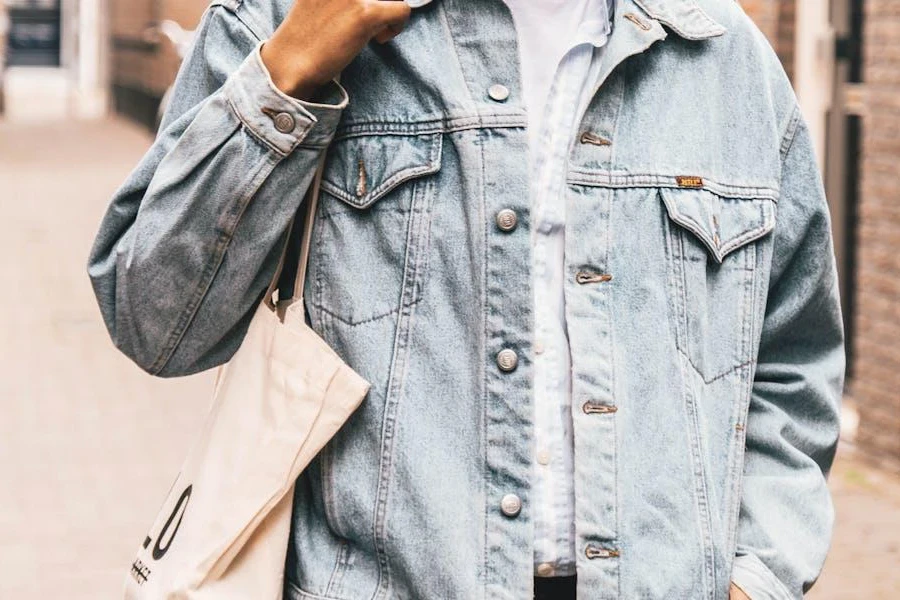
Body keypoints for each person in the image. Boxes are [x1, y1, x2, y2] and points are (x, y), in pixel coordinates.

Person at [87, 0, 845, 598]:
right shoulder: (283, 18)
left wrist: (757, 576)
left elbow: (791, 366)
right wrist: (288, 72)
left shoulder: (723, 57)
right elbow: (152, 319)